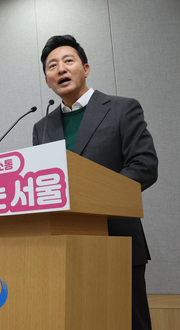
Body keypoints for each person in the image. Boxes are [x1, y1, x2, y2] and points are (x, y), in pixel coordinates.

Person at [32, 35, 158, 330]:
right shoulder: (41, 128)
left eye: (68, 61)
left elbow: (145, 166)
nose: (61, 69)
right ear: (48, 81)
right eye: (52, 66)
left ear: (85, 68)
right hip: (63, 246)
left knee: (129, 322)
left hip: (116, 238)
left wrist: (94, 198)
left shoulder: (122, 109)